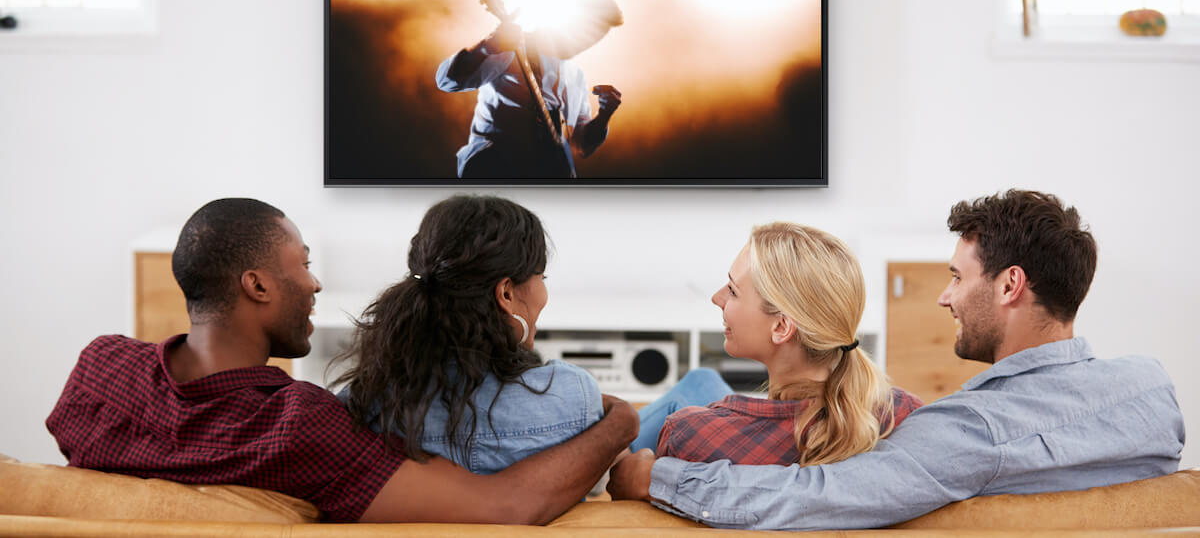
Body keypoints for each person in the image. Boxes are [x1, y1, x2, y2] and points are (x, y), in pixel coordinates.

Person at [608, 189, 1185, 530]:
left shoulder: (966, 433)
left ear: (1011, 286)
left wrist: (656, 476)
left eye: (958, 278)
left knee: (689, 390)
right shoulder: (1151, 391)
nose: (944, 296)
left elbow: (813, 496)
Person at [47, 198, 637, 524]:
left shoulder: (102, 368)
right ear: (256, 285)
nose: (317, 282)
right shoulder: (301, 425)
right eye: (302, 264)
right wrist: (622, 421)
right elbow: (504, 506)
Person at [335, 195, 603, 474]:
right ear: (506, 293)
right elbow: (593, 482)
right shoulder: (574, 395)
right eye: (541, 278)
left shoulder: (362, 405)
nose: (544, 292)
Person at [631, 223, 923, 465]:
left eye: (733, 290)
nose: (717, 298)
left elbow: (633, 479)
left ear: (781, 327)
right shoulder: (904, 413)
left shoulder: (690, 434)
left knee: (615, 430)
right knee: (701, 380)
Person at [435, 0, 624, 179]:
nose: (587, 42)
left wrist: (604, 115)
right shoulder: (512, 45)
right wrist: (487, 47)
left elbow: (581, 146)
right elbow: (448, 80)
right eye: (587, 32)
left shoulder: (576, 76)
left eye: (596, 38)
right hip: (493, 170)